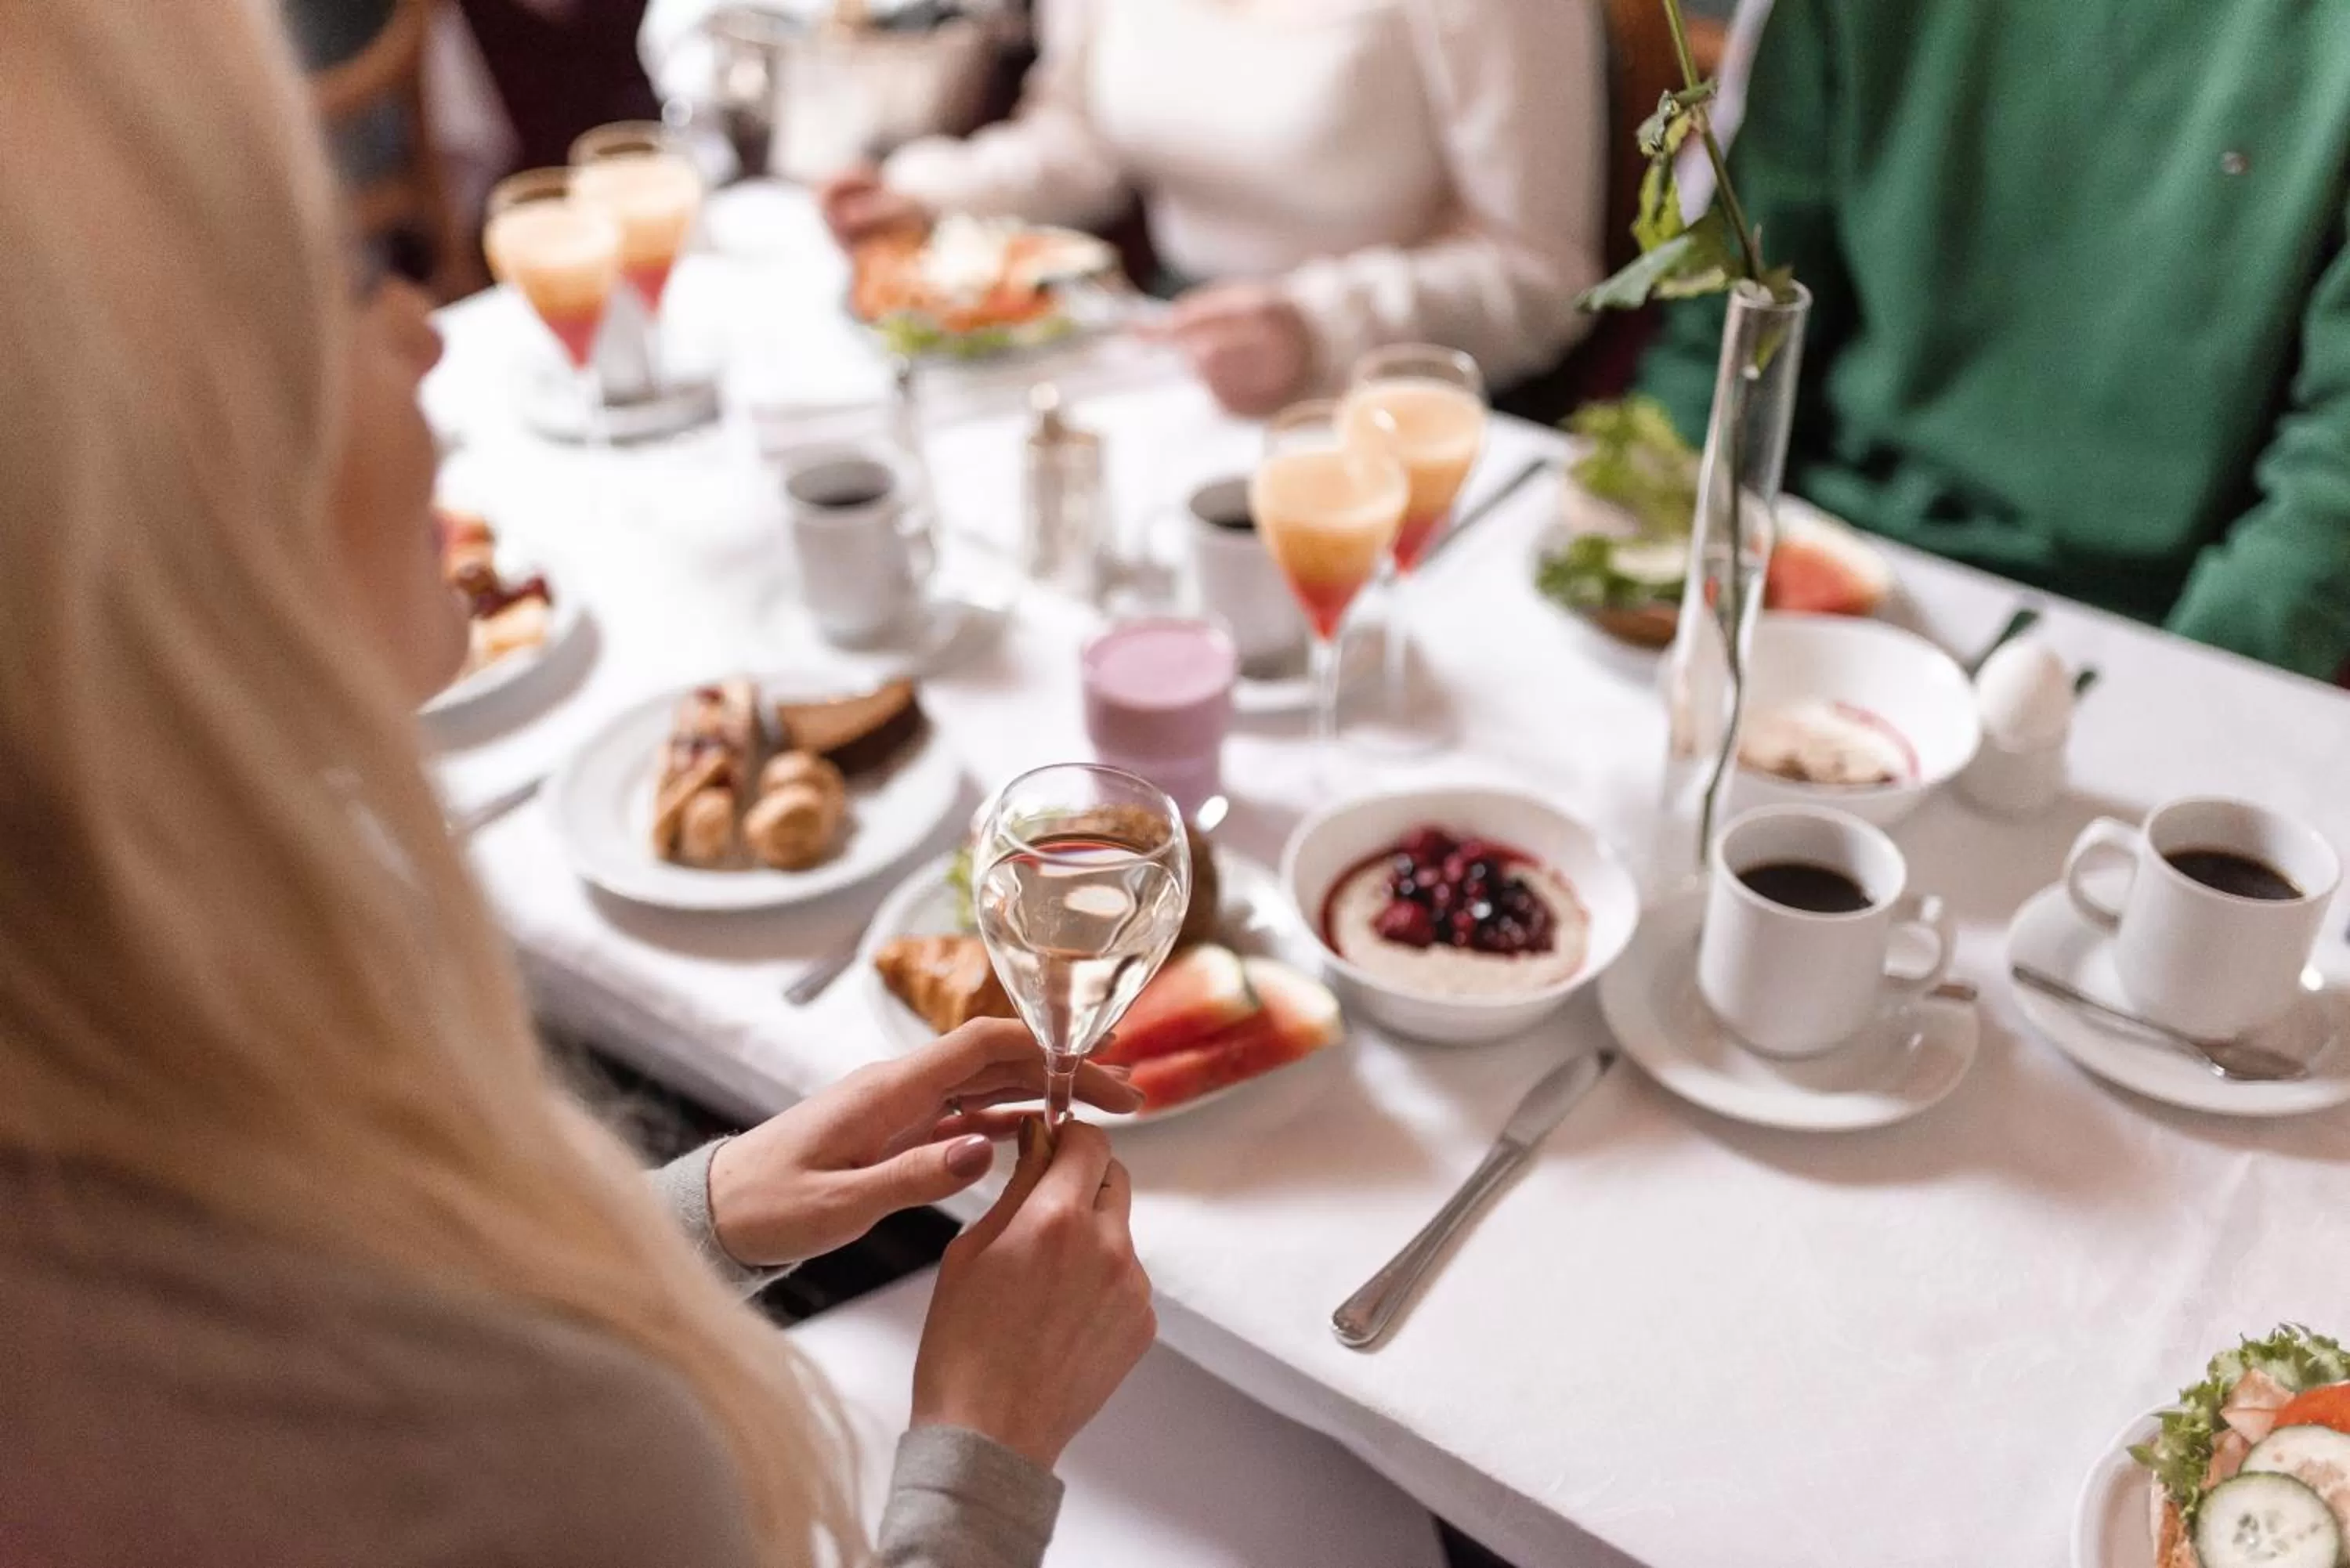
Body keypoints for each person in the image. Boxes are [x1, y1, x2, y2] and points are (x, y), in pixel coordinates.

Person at [0, 6, 1155, 1565]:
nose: (428, 329)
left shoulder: (135, 1089)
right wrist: (986, 1439)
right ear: (145, 489)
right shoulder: (512, 1444)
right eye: (340, 280)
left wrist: (706, 1207)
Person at [1634, 0, 2350, 681]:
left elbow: (2331, 495)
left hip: (2145, 629)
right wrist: (1648, 554)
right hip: (1803, 549)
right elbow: (1725, 323)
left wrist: (2190, 699)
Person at [817, 0, 1607, 417]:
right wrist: (929, 193)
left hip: (1384, 409)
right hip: (1161, 365)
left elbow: (1541, 271)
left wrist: (1315, 329)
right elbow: (1083, 137)